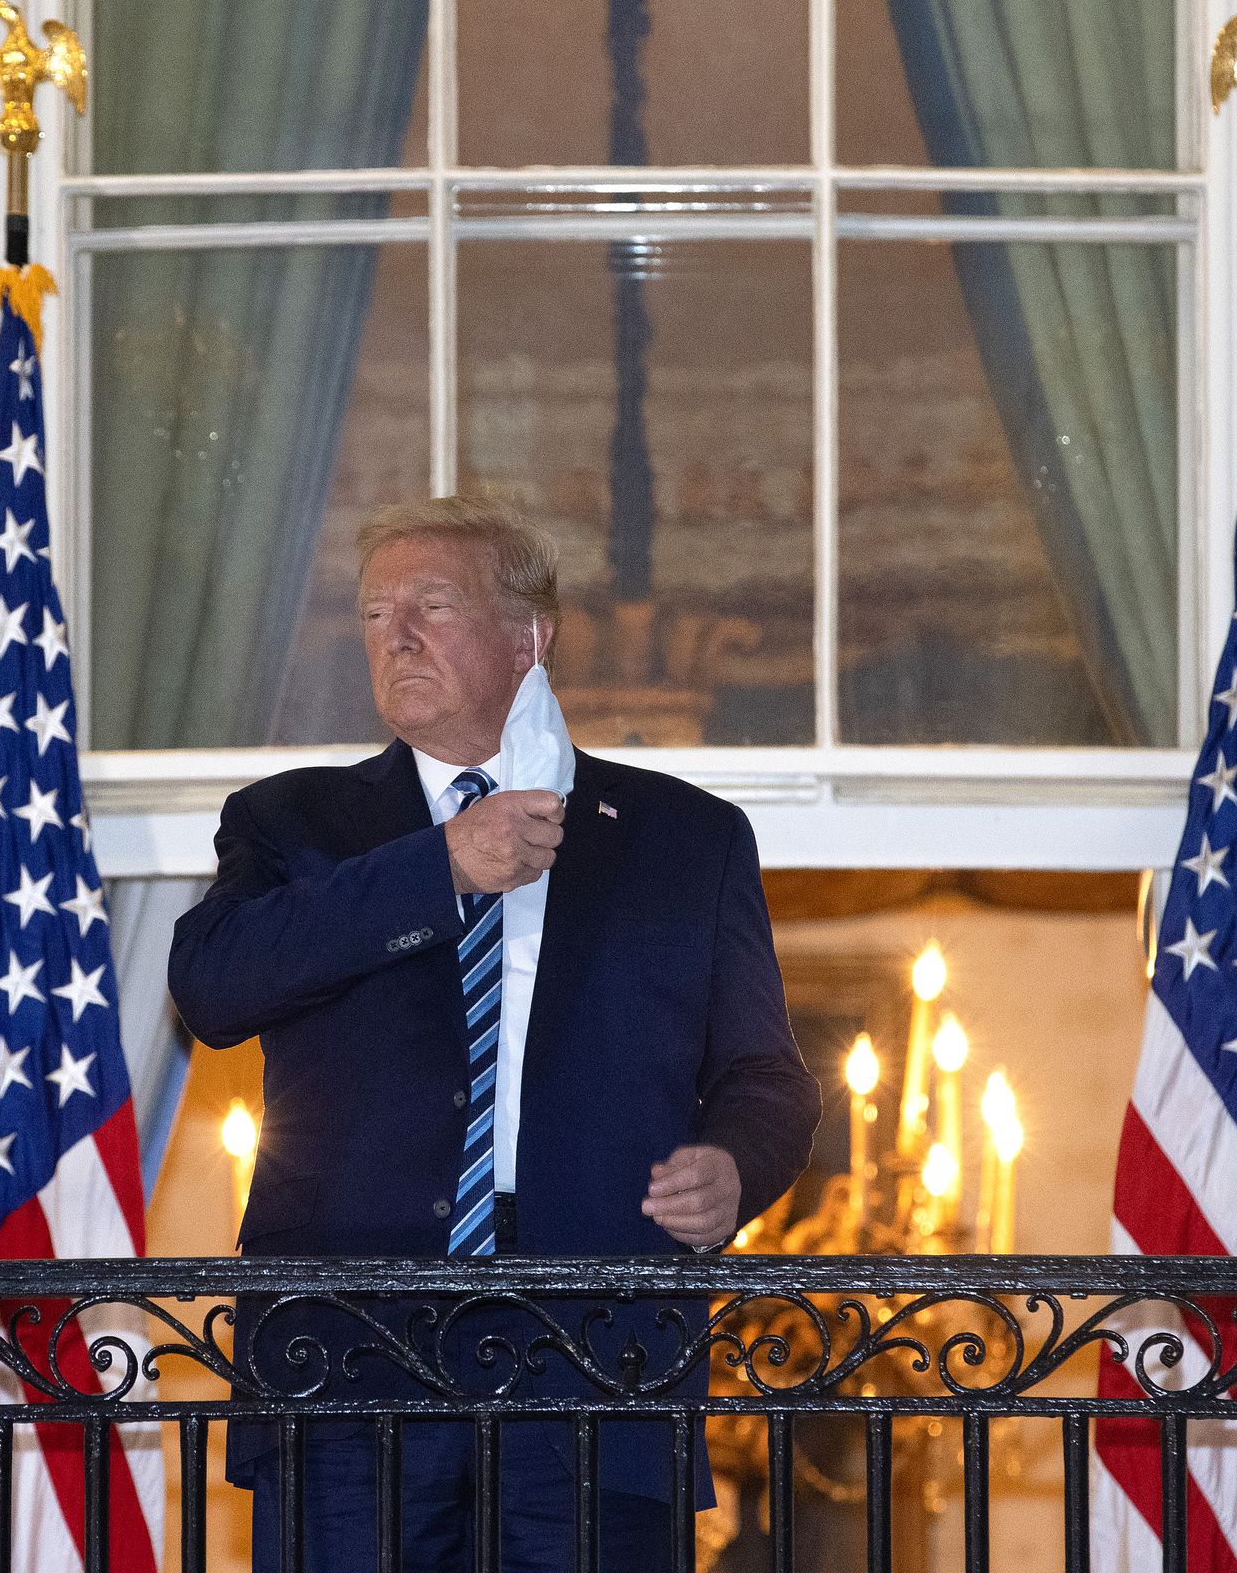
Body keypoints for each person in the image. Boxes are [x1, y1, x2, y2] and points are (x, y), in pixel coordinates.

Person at [168, 495, 821, 1572]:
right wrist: (443, 865)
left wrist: (735, 1165)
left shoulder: (683, 837)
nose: (397, 635)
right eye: (376, 614)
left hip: (601, 1356)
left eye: (430, 605)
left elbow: (766, 1076)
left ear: (530, 635)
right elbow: (212, 986)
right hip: (347, 1355)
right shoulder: (294, 822)